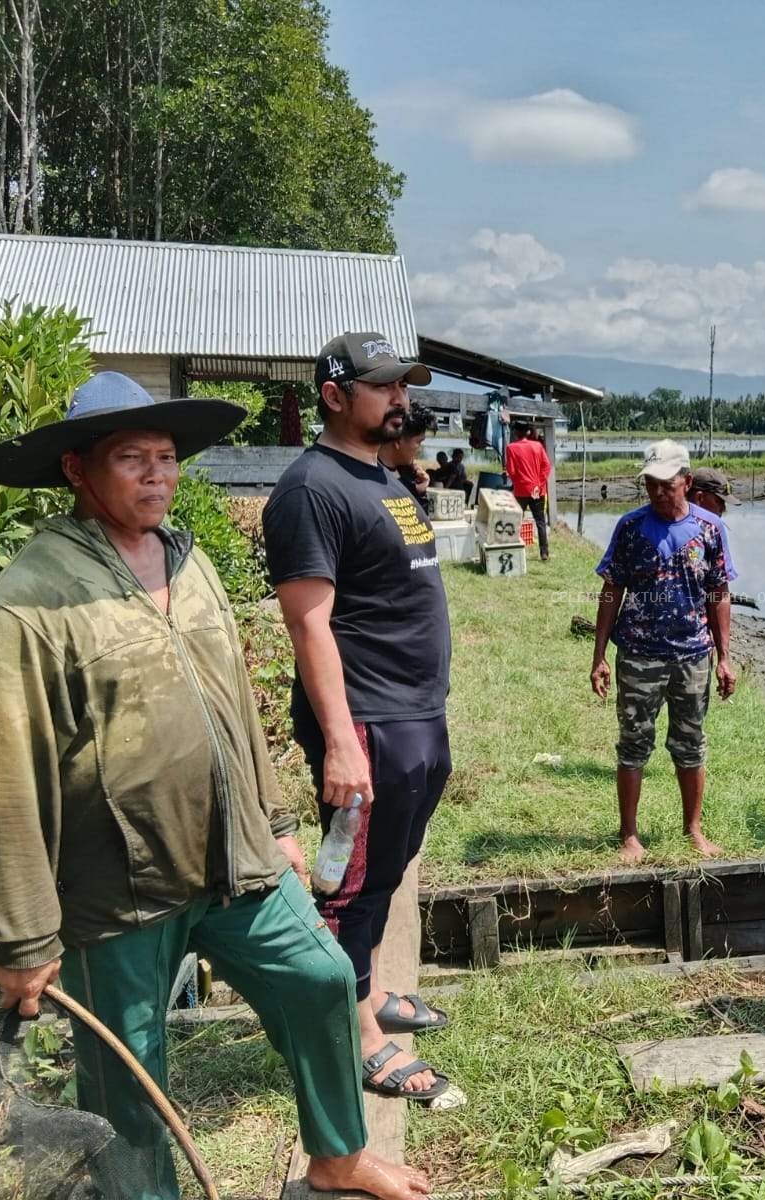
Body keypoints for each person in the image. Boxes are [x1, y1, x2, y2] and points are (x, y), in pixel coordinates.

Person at [0, 372, 430, 1199]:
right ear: (76, 469)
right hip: (119, 890)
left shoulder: (191, 562)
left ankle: (338, 1158)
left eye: (167, 457)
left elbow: (236, 706)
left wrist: (276, 821)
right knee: (129, 1082)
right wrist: (25, 939)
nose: (157, 475)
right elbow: (9, 780)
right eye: (131, 458)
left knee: (323, 979)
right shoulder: (29, 602)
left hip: (237, 858)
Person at [263, 333, 457, 1107]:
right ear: (335, 395)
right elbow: (308, 625)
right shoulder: (311, 490)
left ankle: (366, 988)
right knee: (349, 885)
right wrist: (342, 742)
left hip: (414, 713)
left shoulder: (379, 475)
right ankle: (356, 1034)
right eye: (383, 387)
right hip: (369, 722)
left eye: (403, 386)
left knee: (387, 870)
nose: (399, 399)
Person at [590, 440, 737, 864]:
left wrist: (724, 657)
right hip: (639, 655)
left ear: (687, 482)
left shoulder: (711, 529)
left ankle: (694, 829)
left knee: (691, 744)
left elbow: (719, 592)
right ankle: (629, 834)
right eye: (650, 484)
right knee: (633, 743)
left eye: (666, 484)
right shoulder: (631, 528)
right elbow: (611, 590)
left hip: (692, 655)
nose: (657, 492)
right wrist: (599, 656)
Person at [503, 423, 552, 560]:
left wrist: (518, 482)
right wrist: (538, 484)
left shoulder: (511, 448)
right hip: (538, 491)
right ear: (528, 432)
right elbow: (547, 467)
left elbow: (511, 471)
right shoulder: (538, 446)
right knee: (540, 522)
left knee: (516, 520)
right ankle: (544, 553)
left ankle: (513, 548)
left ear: (516, 433)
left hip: (521, 491)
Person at [381, 403, 435, 511]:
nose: (420, 449)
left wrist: (419, 491)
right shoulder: (376, 480)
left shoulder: (408, 475)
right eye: (419, 442)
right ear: (398, 440)